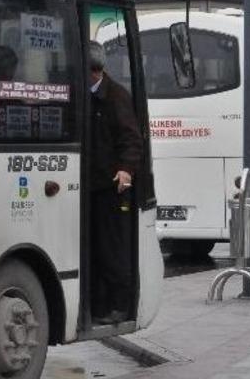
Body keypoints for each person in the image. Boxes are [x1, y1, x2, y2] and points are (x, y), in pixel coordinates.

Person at [89, 50, 143, 325]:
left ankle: (119, 305)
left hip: (112, 186)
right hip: (89, 184)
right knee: (94, 248)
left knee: (112, 248)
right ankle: (97, 306)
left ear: (93, 71)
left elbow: (132, 139)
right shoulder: (85, 94)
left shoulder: (116, 96)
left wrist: (125, 170)